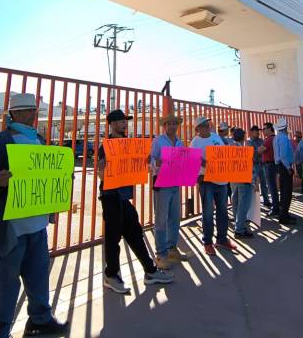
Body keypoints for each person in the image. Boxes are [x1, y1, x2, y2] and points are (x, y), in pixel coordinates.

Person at [0, 93, 69, 337]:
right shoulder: (0, 143)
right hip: (11, 229)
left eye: (34, 110)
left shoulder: (38, 140)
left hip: (37, 226)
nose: (32, 115)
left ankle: (40, 320)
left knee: (39, 278)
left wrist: (61, 179)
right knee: (5, 284)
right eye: (28, 111)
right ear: (13, 114)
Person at [98, 110, 173, 293]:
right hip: (110, 197)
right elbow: (101, 174)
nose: (125, 124)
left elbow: (141, 168)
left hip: (123, 197)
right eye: (121, 121)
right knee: (113, 238)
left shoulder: (130, 145)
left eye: (126, 121)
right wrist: (102, 168)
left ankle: (150, 271)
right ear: (112, 124)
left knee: (135, 234)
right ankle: (111, 275)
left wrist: (148, 162)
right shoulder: (106, 146)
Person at [150, 113, 193, 270]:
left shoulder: (180, 142)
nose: (172, 126)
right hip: (162, 183)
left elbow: (184, 161)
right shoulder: (158, 141)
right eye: (169, 124)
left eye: (174, 124)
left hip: (175, 182)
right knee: (161, 219)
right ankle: (161, 254)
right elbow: (150, 159)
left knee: (174, 217)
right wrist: (157, 162)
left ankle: (172, 249)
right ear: (165, 126)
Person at [190, 116, 237, 256]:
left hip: (221, 180)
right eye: (203, 125)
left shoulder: (216, 137)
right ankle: (207, 242)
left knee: (222, 211)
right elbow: (192, 162)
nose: (207, 125)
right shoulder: (195, 143)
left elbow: (224, 155)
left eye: (207, 123)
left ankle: (222, 239)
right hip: (206, 181)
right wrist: (202, 163)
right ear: (197, 128)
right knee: (208, 213)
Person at [230, 128, 255, 239]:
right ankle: (239, 229)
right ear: (243, 136)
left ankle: (238, 225)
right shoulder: (241, 149)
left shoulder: (230, 147)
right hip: (243, 179)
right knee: (243, 205)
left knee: (236, 203)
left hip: (233, 179)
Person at [273, 118, 297, 225]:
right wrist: (288, 167)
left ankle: (284, 214)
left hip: (281, 166)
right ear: (285, 127)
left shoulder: (277, 137)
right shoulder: (282, 138)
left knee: (284, 191)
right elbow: (283, 155)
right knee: (287, 192)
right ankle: (284, 216)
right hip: (284, 166)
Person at [248, 125, 271, 207]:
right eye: (256, 131)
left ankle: (266, 201)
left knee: (264, 184)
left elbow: (263, 151)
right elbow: (252, 153)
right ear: (251, 132)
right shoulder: (249, 142)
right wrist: (259, 151)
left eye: (258, 131)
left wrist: (258, 151)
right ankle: (255, 204)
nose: (258, 132)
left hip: (262, 164)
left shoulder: (261, 140)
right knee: (254, 185)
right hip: (254, 166)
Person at [261, 122, 278, 214]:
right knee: (273, 186)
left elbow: (260, 150)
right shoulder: (273, 139)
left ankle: (275, 208)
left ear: (269, 129)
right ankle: (276, 206)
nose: (263, 131)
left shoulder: (269, 140)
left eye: (264, 129)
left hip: (269, 165)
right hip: (272, 164)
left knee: (272, 187)